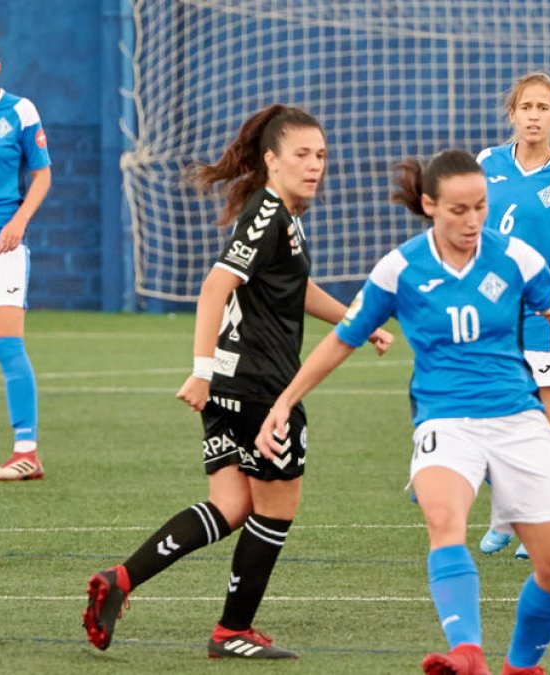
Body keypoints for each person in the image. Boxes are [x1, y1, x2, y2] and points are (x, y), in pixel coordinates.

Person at [255, 149, 550, 675]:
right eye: (459, 209)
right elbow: (343, 340)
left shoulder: (517, 259)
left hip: (517, 418)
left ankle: (520, 667)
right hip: (444, 419)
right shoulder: (400, 268)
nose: (472, 220)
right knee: (444, 518)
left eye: (480, 206)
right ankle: (467, 652)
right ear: (430, 206)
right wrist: (285, 401)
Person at [81, 104, 392, 658]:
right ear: (271, 160)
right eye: (302, 154)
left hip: (232, 389)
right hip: (261, 390)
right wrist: (199, 372)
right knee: (276, 509)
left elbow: (291, 289)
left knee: (229, 506)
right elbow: (213, 288)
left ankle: (121, 580)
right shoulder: (268, 213)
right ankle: (233, 632)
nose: (315, 165)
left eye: (321, 155)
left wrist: (356, 323)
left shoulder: (277, 214)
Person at [475, 71, 550, 559]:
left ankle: (540, 518)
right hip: (491, 309)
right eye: (526, 107)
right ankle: (505, 517)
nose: (534, 116)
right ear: (512, 113)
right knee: (490, 413)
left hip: (542, 311)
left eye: (543, 108)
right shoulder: (487, 163)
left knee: (540, 417)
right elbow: (467, 222)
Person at [0, 33, 51, 480]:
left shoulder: (20, 110)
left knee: (6, 342)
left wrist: (19, 220)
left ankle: (26, 452)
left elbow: (42, 174)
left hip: (3, 243)